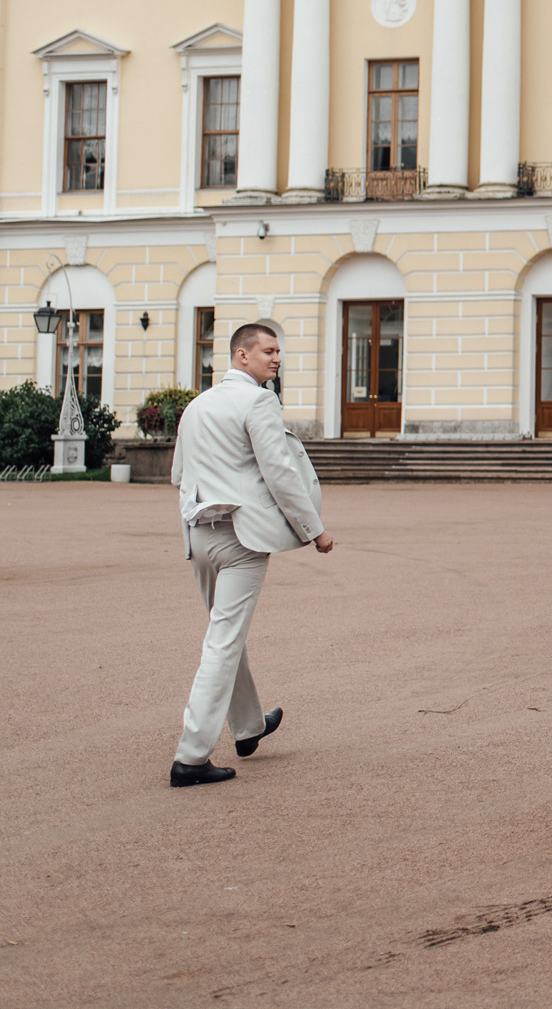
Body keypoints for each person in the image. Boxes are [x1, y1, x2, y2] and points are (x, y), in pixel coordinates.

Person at [166, 321, 332, 787]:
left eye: (279, 351)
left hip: (200, 535)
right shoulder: (259, 400)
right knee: (222, 643)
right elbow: (280, 473)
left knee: (226, 635)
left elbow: (179, 472)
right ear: (242, 356)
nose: (277, 359)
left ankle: (248, 727)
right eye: (269, 351)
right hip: (242, 539)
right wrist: (315, 530)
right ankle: (191, 757)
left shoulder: (197, 405)